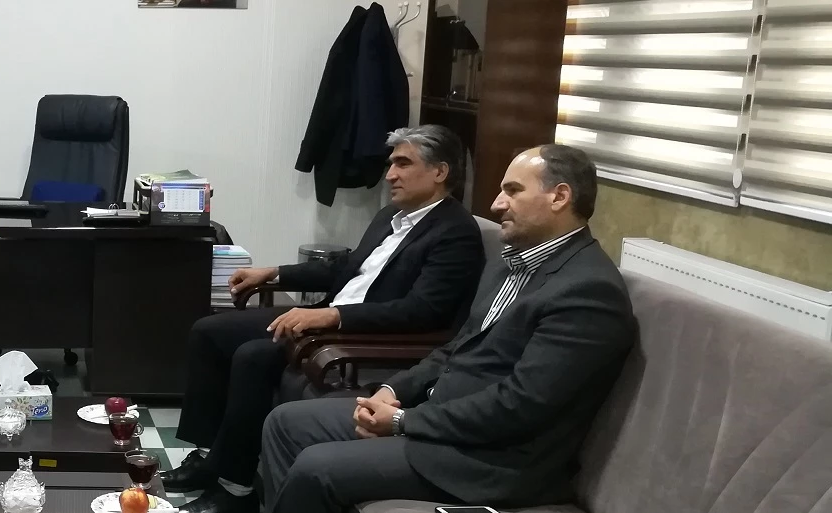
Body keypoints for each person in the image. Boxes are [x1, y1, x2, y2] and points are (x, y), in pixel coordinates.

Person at [255, 144, 638, 513]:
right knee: (285, 422)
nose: (496, 204)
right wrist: (393, 390)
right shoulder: (511, 263)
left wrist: (404, 422)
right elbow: (456, 348)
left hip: (489, 460)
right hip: (439, 418)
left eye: (512, 191)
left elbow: (520, 405)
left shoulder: (588, 291)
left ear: (560, 197)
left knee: (317, 468)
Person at [169, 125, 488, 513]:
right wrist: (274, 273)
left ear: (440, 171)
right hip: (331, 316)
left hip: (360, 334)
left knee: (254, 355)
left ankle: (236, 489)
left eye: (403, 164)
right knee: (209, 330)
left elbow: (423, 311)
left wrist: (332, 315)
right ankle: (208, 457)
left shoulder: (455, 232)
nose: (390, 175)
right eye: (390, 164)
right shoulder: (391, 215)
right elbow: (346, 268)